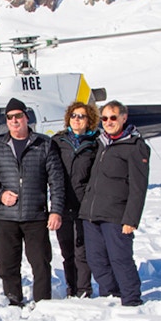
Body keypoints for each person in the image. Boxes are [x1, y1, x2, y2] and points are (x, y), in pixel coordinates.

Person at [0, 97, 65, 306]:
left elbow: (56, 181)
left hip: (36, 215)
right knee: (7, 264)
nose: (14, 121)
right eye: (10, 117)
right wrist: (0, 195)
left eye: (18, 116)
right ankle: (13, 300)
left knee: (40, 263)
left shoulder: (44, 144)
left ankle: (42, 303)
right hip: (6, 217)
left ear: (26, 117)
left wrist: (56, 210)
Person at [79, 100, 151, 307]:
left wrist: (131, 219)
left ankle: (131, 299)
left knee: (120, 259)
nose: (108, 122)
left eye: (113, 117)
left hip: (117, 214)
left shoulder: (135, 146)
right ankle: (110, 295)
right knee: (96, 260)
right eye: (104, 118)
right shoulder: (101, 143)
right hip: (92, 213)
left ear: (123, 118)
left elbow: (139, 188)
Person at [53, 100, 99, 297]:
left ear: (89, 120)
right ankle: (71, 287)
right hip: (62, 203)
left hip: (84, 204)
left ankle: (84, 289)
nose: (77, 120)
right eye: (74, 116)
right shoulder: (58, 141)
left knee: (82, 251)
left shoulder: (95, 143)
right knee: (67, 251)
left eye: (82, 116)